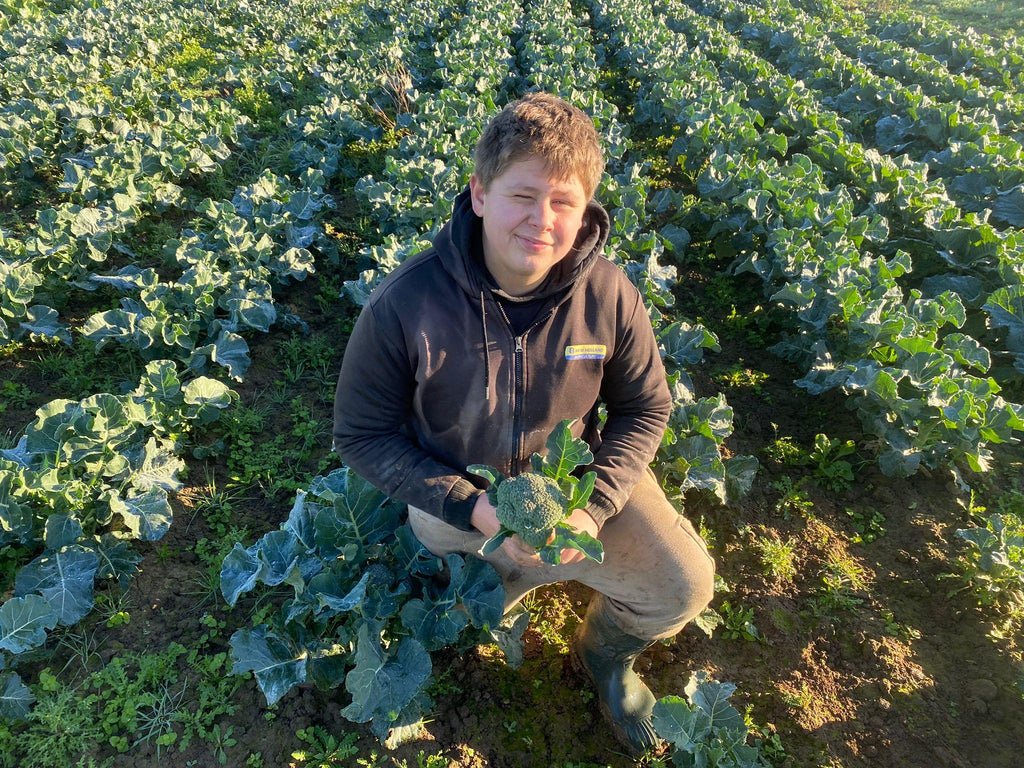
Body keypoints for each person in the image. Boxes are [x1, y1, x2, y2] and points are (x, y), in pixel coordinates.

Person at [333, 92, 715, 755]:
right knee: (454, 629)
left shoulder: (609, 296)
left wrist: (592, 510)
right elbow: (362, 435)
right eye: (523, 196)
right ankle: (493, 589)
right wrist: (471, 507)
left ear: (586, 210)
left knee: (682, 584)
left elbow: (646, 407)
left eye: (564, 203)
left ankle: (603, 658)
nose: (542, 220)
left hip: (575, 489)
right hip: (460, 500)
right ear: (480, 193)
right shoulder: (406, 303)